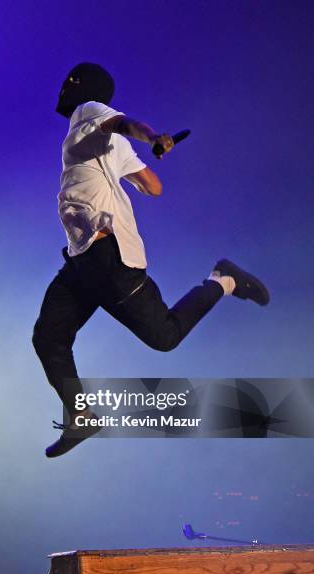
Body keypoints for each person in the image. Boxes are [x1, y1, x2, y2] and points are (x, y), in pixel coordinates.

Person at [32, 62, 270, 458]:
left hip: (109, 259)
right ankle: (81, 416)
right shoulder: (102, 144)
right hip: (80, 262)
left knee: (164, 338)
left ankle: (223, 279)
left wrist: (152, 137)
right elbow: (154, 187)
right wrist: (137, 169)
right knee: (48, 337)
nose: (62, 88)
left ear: (85, 89)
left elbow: (125, 123)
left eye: (69, 82)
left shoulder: (89, 113)